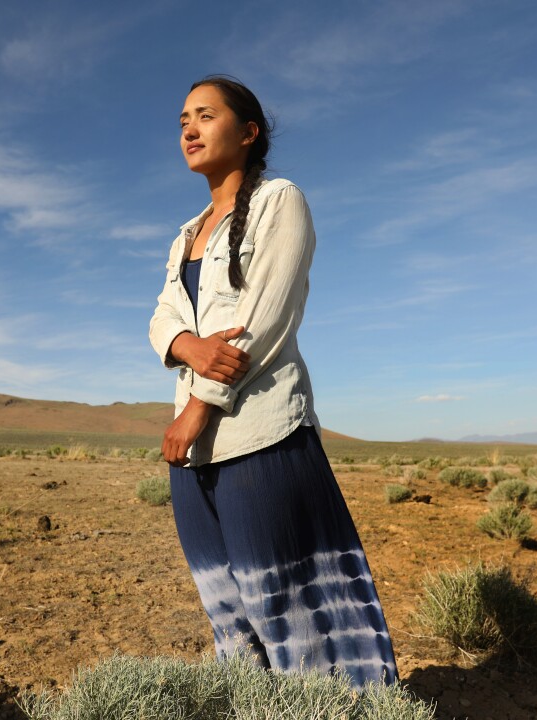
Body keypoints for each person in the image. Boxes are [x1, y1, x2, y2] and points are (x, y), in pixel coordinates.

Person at [149, 75, 398, 689]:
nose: (189, 128)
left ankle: (331, 705)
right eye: (183, 119)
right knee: (227, 609)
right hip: (194, 453)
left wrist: (198, 408)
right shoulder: (186, 234)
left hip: (260, 435)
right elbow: (161, 318)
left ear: (249, 131)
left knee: (285, 604)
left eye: (205, 115)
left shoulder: (279, 200)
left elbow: (265, 317)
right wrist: (188, 346)